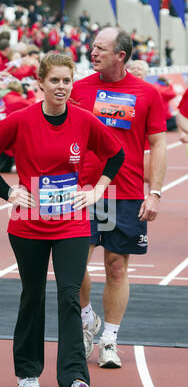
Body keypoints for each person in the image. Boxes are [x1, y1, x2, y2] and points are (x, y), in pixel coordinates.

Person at [0, 53, 124, 387]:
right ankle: (27, 369)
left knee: (70, 295)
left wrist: (98, 188)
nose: (61, 87)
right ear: (40, 83)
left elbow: (114, 154)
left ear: (73, 84)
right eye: (54, 81)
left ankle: (74, 379)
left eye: (66, 81)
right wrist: (8, 191)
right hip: (28, 225)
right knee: (33, 295)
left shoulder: (85, 121)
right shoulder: (21, 120)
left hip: (71, 221)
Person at [70, 27, 167, 368]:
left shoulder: (147, 93)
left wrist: (154, 193)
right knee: (75, 263)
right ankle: (86, 322)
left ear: (120, 55)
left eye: (99, 48)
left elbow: (157, 144)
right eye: (92, 46)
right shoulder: (78, 89)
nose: (91, 52)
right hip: (83, 190)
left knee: (115, 266)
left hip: (123, 192)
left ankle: (109, 339)